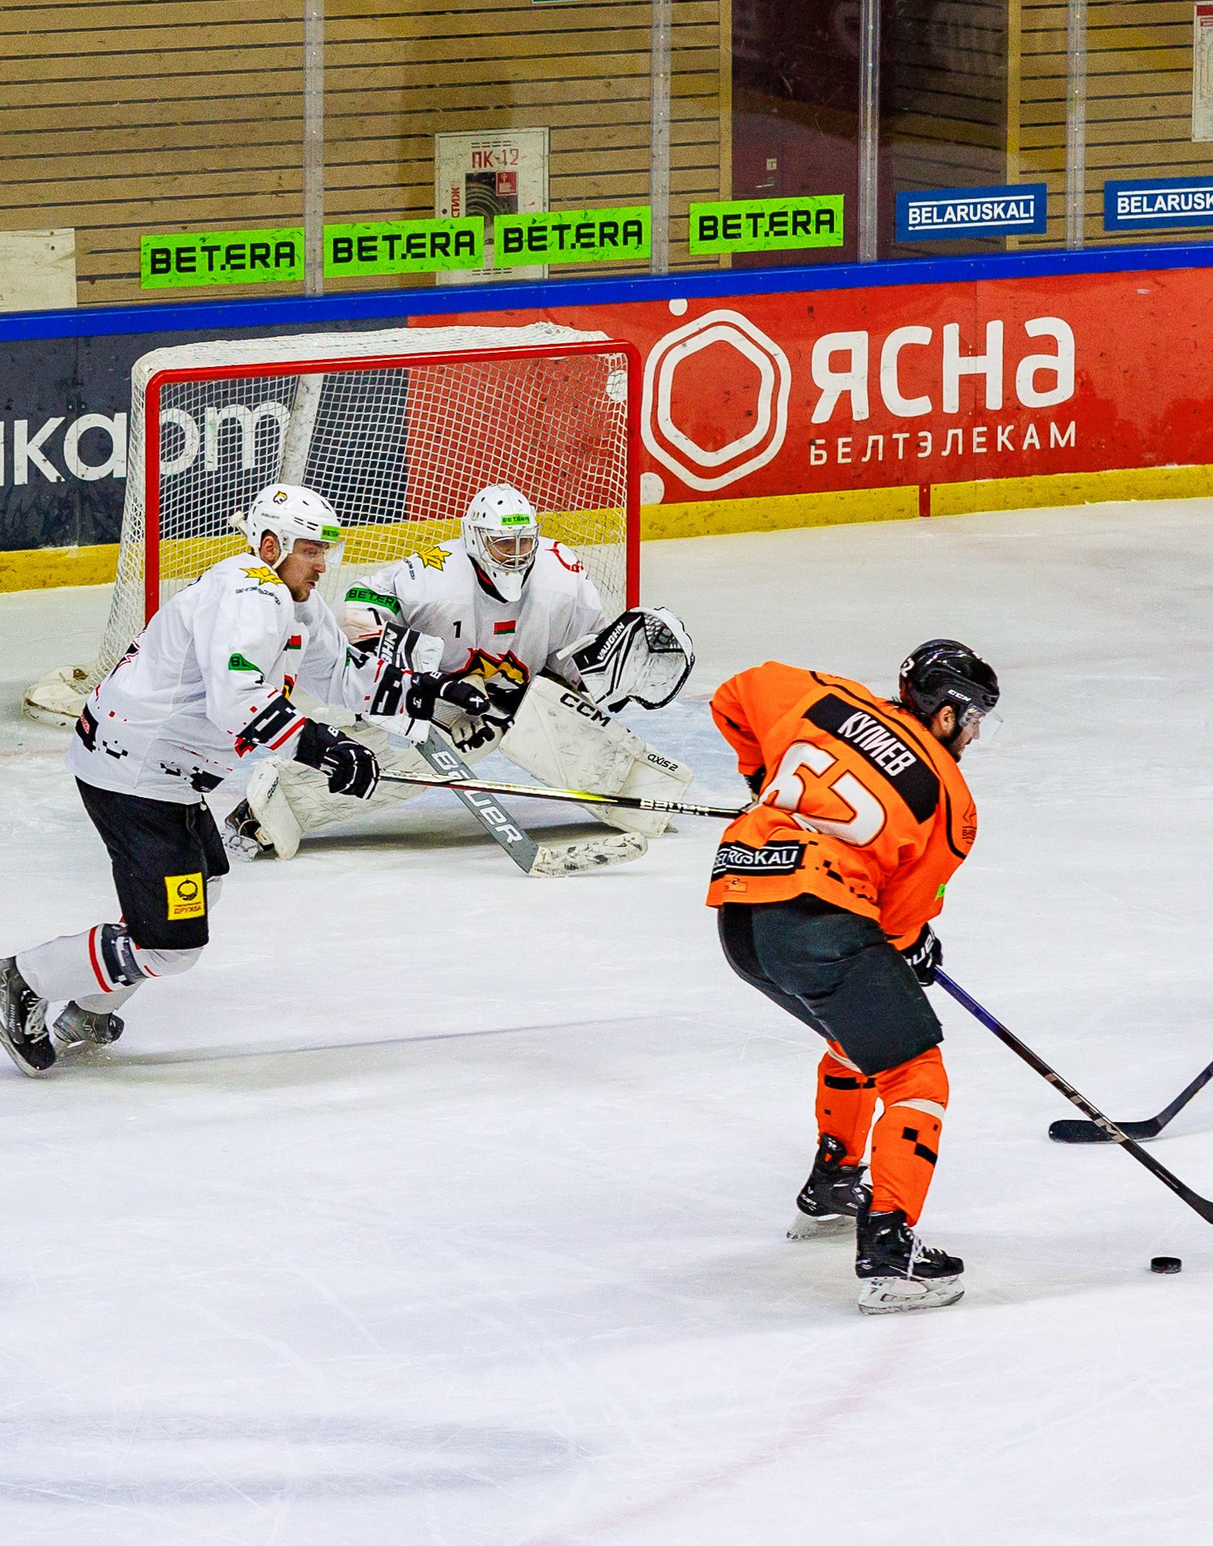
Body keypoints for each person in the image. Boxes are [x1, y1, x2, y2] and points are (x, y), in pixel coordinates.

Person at [0, 482, 390, 1074]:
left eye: (326, 550)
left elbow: (342, 674)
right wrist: (322, 748)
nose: (322, 564)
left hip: (166, 776)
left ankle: (88, 1009)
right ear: (271, 545)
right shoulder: (250, 590)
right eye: (310, 550)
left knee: (206, 884)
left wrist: (430, 694)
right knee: (171, 946)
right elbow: (238, 700)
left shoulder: (293, 601)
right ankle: (19, 978)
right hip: (134, 775)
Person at [707, 641, 996, 1315]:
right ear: (947, 715)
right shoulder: (953, 801)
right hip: (817, 921)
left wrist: (761, 783)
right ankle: (890, 1253)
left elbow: (734, 693)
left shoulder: (825, 695)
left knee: (860, 1032)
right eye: (975, 716)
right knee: (916, 1072)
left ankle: (833, 1182)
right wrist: (910, 946)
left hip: (741, 911)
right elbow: (893, 925)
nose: (976, 732)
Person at [226, 483, 697, 870]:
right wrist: (417, 674)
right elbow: (359, 610)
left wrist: (605, 678)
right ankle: (277, 803)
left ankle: (638, 791)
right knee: (371, 744)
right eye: (502, 544)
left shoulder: (562, 578)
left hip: (502, 702)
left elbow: (576, 665)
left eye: (523, 543)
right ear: (475, 539)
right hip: (423, 691)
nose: (514, 556)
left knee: (547, 713)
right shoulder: (435, 575)